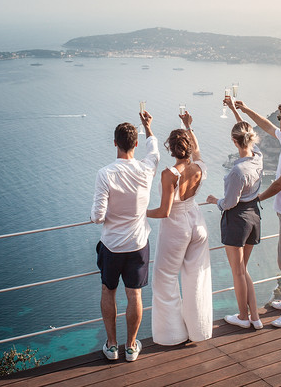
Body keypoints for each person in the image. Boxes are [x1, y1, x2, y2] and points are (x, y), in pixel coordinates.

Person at [234, 99, 281, 328]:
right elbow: (266, 126)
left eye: (280, 120)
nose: (278, 124)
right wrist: (246, 109)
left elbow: (279, 184)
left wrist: (253, 198)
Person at [91, 111, 159, 362]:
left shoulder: (105, 174)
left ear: (115, 143)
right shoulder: (146, 170)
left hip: (112, 245)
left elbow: (97, 216)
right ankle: (131, 347)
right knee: (135, 295)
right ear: (136, 144)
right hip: (138, 244)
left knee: (108, 291)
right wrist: (148, 127)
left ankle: (111, 345)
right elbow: (155, 153)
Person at [147, 112, 213, 345]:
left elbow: (164, 211)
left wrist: (140, 213)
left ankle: (172, 336)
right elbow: (198, 150)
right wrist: (188, 126)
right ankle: (200, 331)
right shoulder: (199, 168)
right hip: (197, 222)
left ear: (171, 149)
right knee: (197, 278)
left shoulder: (169, 174)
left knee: (164, 278)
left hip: (176, 227)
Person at [206, 97, 264, 330]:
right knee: (243, 270)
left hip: (238, 220)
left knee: (237, 272)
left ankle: (243, 316)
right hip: (254, 217)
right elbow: (246, 134)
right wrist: (234, 110)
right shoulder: (257, 157)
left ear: (233, 141)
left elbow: (229, 202)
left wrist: (214, 201)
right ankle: (256, 317)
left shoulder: (237, 171)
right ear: (250, 139)